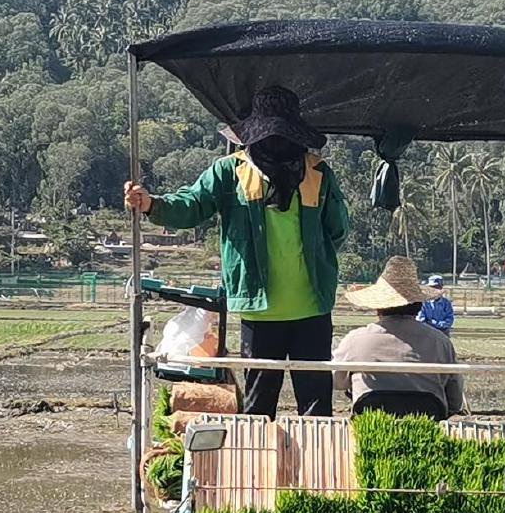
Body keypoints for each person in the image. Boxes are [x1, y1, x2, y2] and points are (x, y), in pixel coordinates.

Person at [124, 86, 349, 417]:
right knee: (261, 408)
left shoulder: (318, 173)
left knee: (315, 406)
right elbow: (192, 205)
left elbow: (337, 227)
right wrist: (152, 204)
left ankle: (314, 469)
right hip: (259, 309)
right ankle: (259, 469)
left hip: (312, 308)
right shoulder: (230, 171)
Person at [332, 256, 465, 417]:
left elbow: (337, 381)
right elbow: (455, 396)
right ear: (418, 305)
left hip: (370, 428)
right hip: (427, 428)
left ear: (378, 306)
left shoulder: (355, 340)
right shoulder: (440, 342)